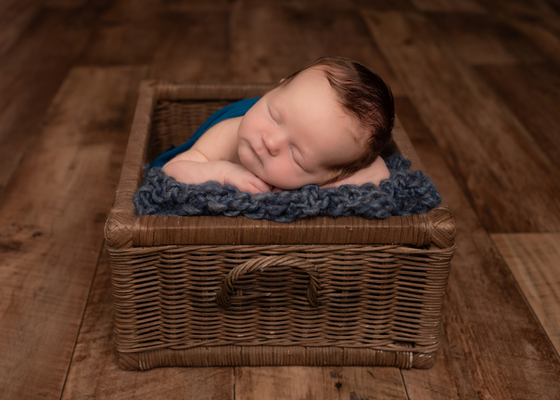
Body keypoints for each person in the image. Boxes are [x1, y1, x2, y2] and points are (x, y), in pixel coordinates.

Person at [157, 56, 395, 194]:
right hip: (237, 119)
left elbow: (379, 173)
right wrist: (222, 172)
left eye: (297, 156)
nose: (271, 142)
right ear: (275, 88)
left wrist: (325, 187)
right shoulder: (228, 134)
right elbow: (171, 170)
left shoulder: (334, 158)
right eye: (274, 116)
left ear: (327, 175)